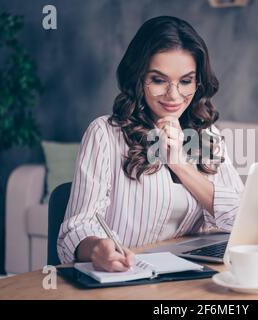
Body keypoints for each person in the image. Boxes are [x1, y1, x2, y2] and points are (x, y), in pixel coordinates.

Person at [57, 16, 244, 272]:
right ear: (138, 78)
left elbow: (243, 219)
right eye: (158, 80)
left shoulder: (206, 134)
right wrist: (97, 248)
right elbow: (75, 229)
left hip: (188, 278)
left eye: (186, 81)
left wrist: (180, 165)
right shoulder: (105, 134)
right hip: (126, 277)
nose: (174, 95)